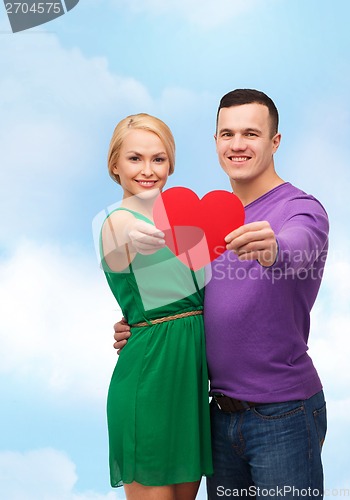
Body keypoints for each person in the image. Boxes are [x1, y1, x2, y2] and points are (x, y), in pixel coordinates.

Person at [113, 90, 329, 499]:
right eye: (227, 133)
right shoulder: (206, 219)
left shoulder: (301, 209)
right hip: (215, 416)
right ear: (215, 142)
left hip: (281, 415)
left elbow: (300, 246)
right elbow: (187, 300)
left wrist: (275, 248)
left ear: (275, 141)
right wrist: (139, 325)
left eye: (251, 133)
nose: (237, 144)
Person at [99, 113, 213, 500]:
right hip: (149, 383)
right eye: (135, 159)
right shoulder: (117, 221)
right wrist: (134, 238)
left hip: (191, 387)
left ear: (171, 164)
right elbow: (120, 246)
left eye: (158, 159)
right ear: (115, 164)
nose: (148, 170)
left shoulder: (188, 222)